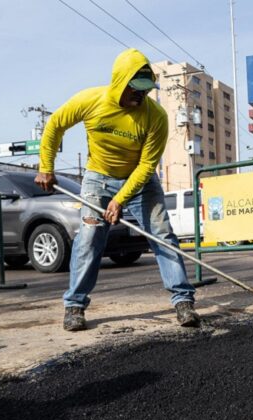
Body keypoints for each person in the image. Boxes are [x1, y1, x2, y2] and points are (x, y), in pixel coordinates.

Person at [35, 48, 200, 331]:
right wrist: (46, 166)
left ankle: (183, 301)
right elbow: (55, 125)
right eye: (135, 89)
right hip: (98, 178)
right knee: (89, 237)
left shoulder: (155, 116)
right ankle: (74, 306)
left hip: (140, 181)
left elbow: (148, 165)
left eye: (146, 90)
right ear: (120, 82)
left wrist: (121, 199)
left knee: (162, 235)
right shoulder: (90, 100)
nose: (140, 96)